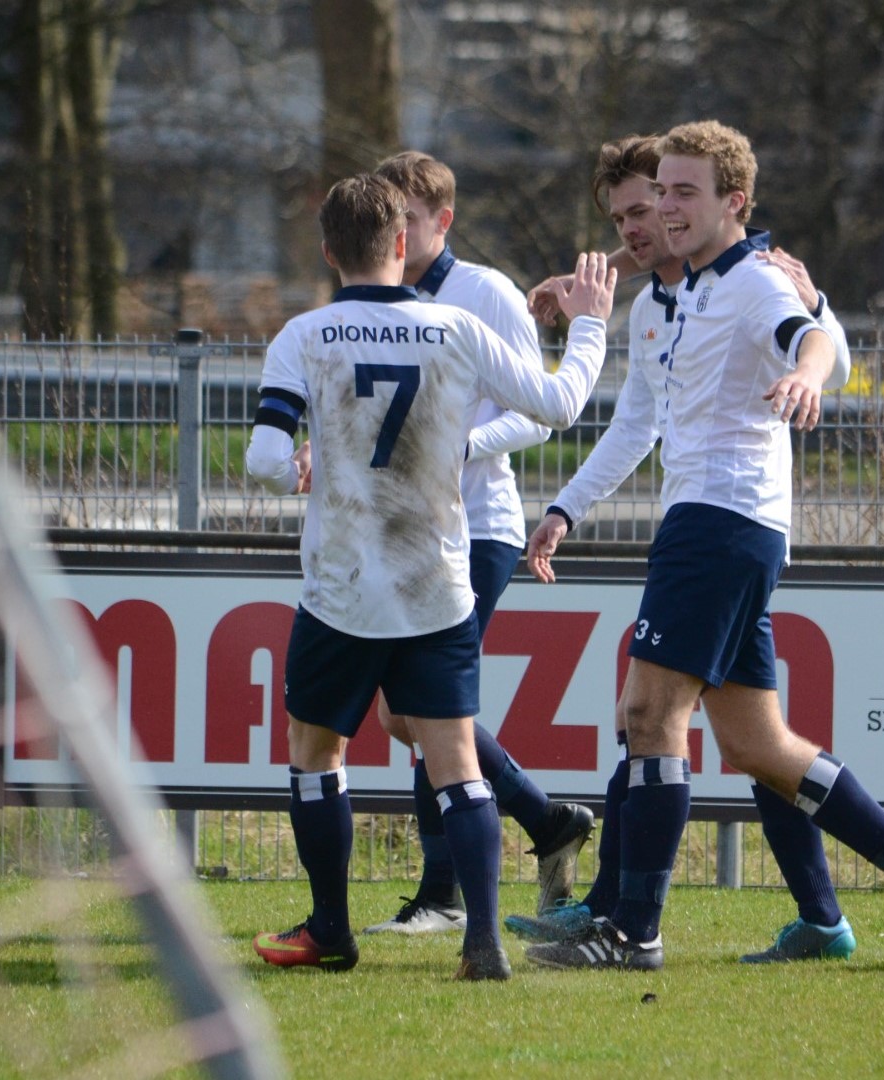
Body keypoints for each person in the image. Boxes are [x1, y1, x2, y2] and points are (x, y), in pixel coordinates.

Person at [519, 121, 884, 973]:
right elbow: (636, 422)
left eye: (682, 194)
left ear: (735, 203)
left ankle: (634, 930)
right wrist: (566, 508)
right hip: (718, 527)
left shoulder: (756, 283)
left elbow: (813, 337)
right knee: (759, 747)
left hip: (722, 525)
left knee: (649, 715)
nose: (663, 210)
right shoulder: (672, 295)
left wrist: (808, 370)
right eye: (661, 195)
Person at [244, 173, 617, 980]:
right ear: (402, 245)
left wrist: (307, 466)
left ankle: (330, 930)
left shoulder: (304, 335)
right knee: (454, 760)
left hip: (342, 586)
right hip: (435, 583)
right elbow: (557, 406)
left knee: (315, 753)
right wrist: (588, 328)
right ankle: (481, 942)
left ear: (327, 251)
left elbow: (266, 460)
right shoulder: (453, 328)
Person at [357, 151, 594, 937]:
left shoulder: (483, 292)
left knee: (426, 702)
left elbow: (539, 411)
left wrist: (459, 449)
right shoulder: (380, 298)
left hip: (479, 527)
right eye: (387, 221)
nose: (396, 234)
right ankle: (543, 818)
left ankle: (442, 895)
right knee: (406, 709)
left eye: (411, 221)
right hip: (408, 528)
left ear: (443, 222)